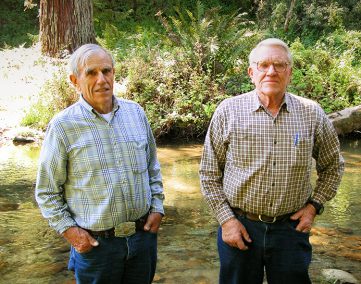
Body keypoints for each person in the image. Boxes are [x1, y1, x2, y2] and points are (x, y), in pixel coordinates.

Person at [199, 38, 345, 284]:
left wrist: (313, 207)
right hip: (240, 226)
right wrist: (227, 220)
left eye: (279, 65)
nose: (271, 71)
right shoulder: (228, 111)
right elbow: (209, 173)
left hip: (290, 230)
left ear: (290, 72)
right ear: (251, 72)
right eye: (263, 65)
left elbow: (333, 166)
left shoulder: (311, 113)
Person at [35, 44, 165, 284]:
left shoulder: (136, 113)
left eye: (106, 71)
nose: (101, 80)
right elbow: (47, 191)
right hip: (96, 248)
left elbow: (152, 168)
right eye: (91, 73)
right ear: (75, 80)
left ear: (114, 73)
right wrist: (72, 233)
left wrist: (157, 208)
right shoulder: (63, 127)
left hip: (142, 239)